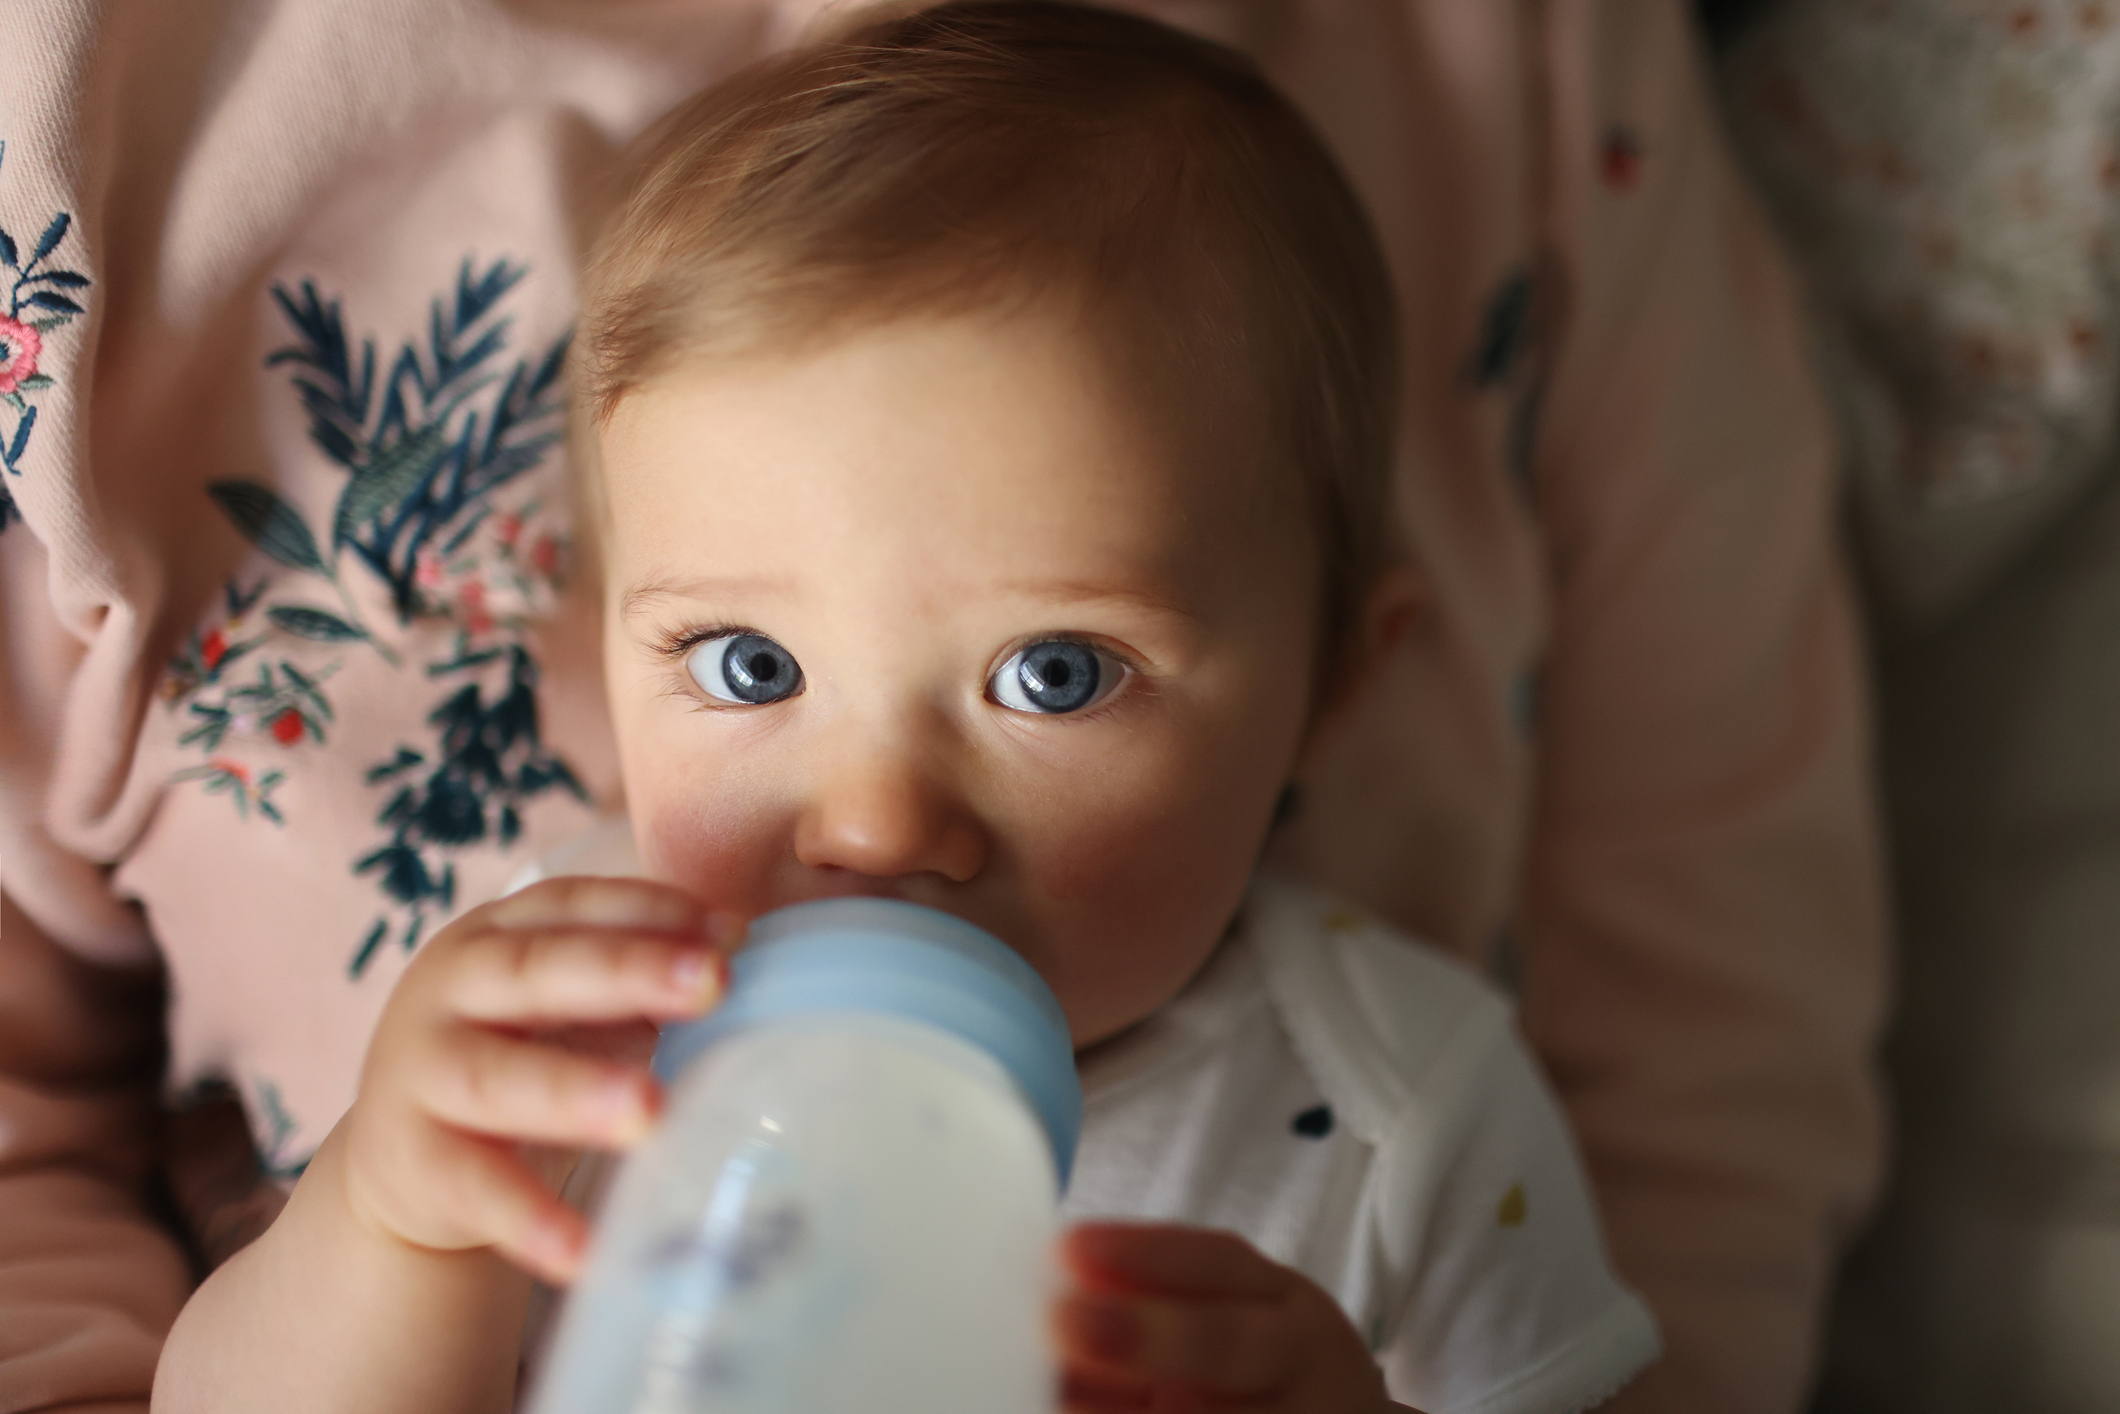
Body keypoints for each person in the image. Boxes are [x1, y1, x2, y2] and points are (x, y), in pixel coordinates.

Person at [0, 2, 1884, 1411]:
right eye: (746, 668)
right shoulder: (563, 1038)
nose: (881, 820)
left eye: (1055, 675)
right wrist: (389, 1227)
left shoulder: (1402, 1105)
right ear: (606, 654)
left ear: (1332, 689)